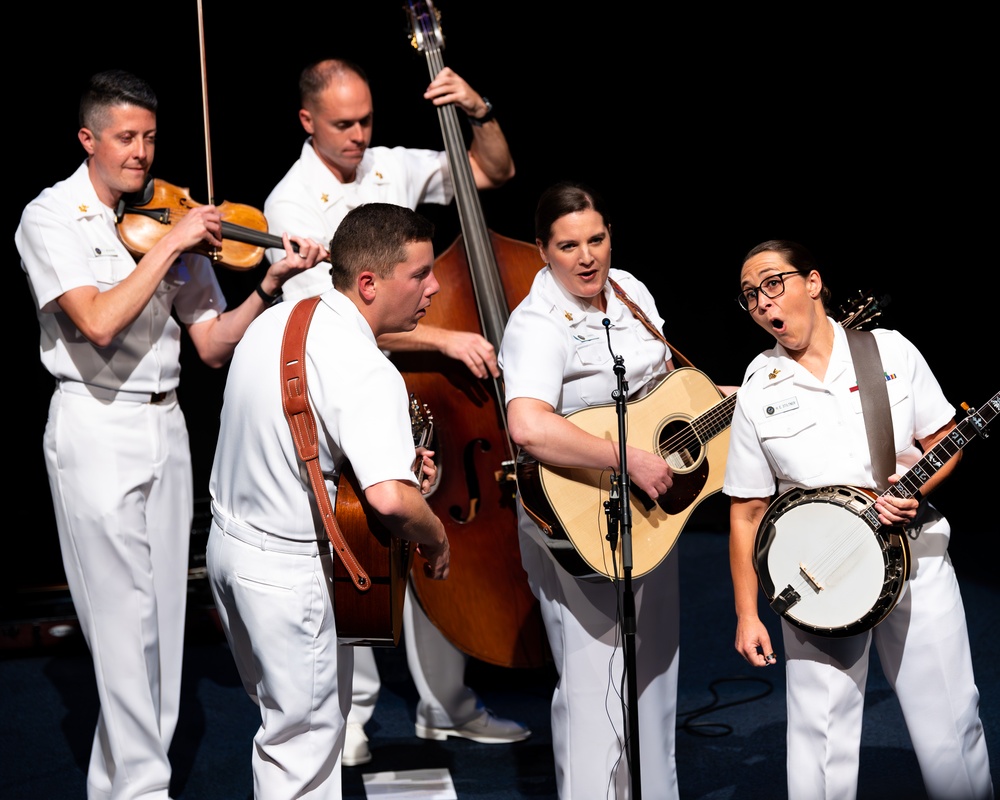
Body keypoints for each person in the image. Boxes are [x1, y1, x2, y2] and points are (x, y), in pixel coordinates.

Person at [15, 69, 325, 800]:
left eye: (150, 138)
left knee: (163, 621)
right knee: (120, 627)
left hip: (167, 420)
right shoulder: (50, 216)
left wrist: (268, 286)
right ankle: (141, 790)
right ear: (88, 139)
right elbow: (95, 320)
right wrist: (174, 243)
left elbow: (212, 344)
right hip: (93, 420)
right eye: (126, 138)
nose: (142, 154)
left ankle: (128, 786)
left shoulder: (166, 214)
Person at [263, 57, 529, 766]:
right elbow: (330, 317)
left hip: (423, 388)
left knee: (439, 528)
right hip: (351, 379)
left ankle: (449, 705)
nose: (358, 135)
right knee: (364, 543)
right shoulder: (290, 201)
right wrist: (443, 334)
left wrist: (478, 107)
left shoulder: (389, 163)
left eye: (366, 120)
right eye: (343, 124)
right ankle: (352, 713)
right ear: (307, 122)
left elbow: (491, 173)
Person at [723, 239, 994, 800]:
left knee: (951, 718)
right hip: (817, 579)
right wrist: (748, 613)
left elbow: (945, 439)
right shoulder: (757, 387)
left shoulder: (888, 352)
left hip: (914, 558)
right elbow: (748, 510)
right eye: (751, 295)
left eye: (773, 283)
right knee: (821, 739)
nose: (763, 303)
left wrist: (912, 488)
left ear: (813, 282)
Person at [498, 181, 734, 798]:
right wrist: (624, 458)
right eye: (568, 245)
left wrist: (729, 400)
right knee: (594, 685)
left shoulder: (632, 293)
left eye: (596, 239)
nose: (586, 257)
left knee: (655, 674)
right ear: (544, 251)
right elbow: (526, 425)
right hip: (576, 511)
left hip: (651, 512)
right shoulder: (537, 323)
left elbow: (669, 389)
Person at [207, 203, 451, 797]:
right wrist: (437, 536)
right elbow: (392, 501)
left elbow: (296, 439)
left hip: (227, 552)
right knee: (306, 754)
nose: (435, 286)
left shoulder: (276, 319)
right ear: (368, 283)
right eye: (419, 273)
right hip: (290, 577)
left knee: (281, 732)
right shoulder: (368, 368)